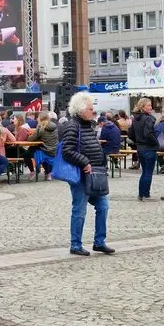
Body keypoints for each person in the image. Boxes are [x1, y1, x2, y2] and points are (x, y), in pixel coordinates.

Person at [60, 92, 112, 256]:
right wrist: (84, 162)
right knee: (79, 210)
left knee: (103, 206)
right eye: (90, 109)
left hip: (95, 174)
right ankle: (75, 244)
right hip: (81, 175)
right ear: (81, 110)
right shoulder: (73, 126)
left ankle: (99, 242)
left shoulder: (88, 125)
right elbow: (67, 150)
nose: (93, 112)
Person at [130, 98, 157, 201]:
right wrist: (155, 142)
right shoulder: (148, 118)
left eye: (150, 105)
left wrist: (138, 141)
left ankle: (141, 194)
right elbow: (148, 133)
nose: (150, 107)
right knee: (148, 172)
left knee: (144, 171)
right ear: (142, 106)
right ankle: (145, 194)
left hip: (140, 148)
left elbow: (130, 134)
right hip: (149, 147)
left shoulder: (135, 119)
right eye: (148, 105)